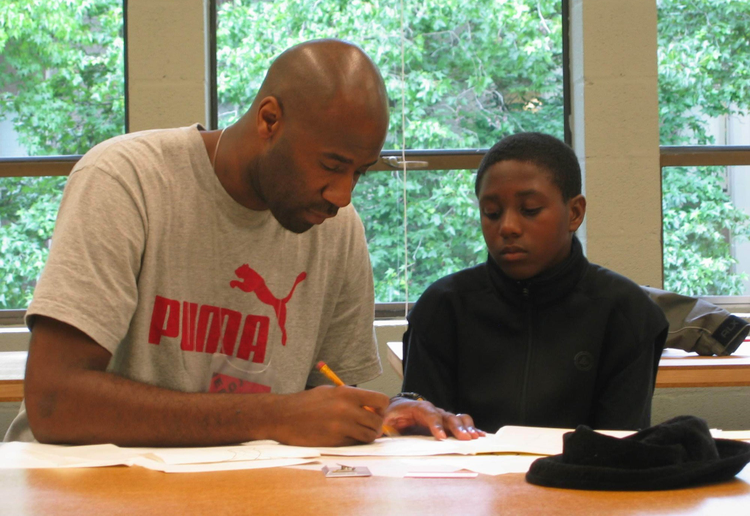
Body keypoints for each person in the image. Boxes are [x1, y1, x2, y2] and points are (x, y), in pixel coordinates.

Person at [6, 39, 481, 447]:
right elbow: (56, 403)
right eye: (333, 166)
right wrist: (273, 417)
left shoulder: (337, 228)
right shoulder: (127, 180)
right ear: (269, 120)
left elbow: (320, 410)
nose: (342, 195)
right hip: (90, 491)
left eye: (359, 172)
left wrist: (383, 412)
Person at [401, 132, 669, 433]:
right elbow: (421, 441)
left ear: (575, 213)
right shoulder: (442, 307)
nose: (508, 227)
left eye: (530, 210)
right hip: (467, 478)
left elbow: (619, 444)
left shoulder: (626, 312)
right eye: (491, 213)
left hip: (582, 478)